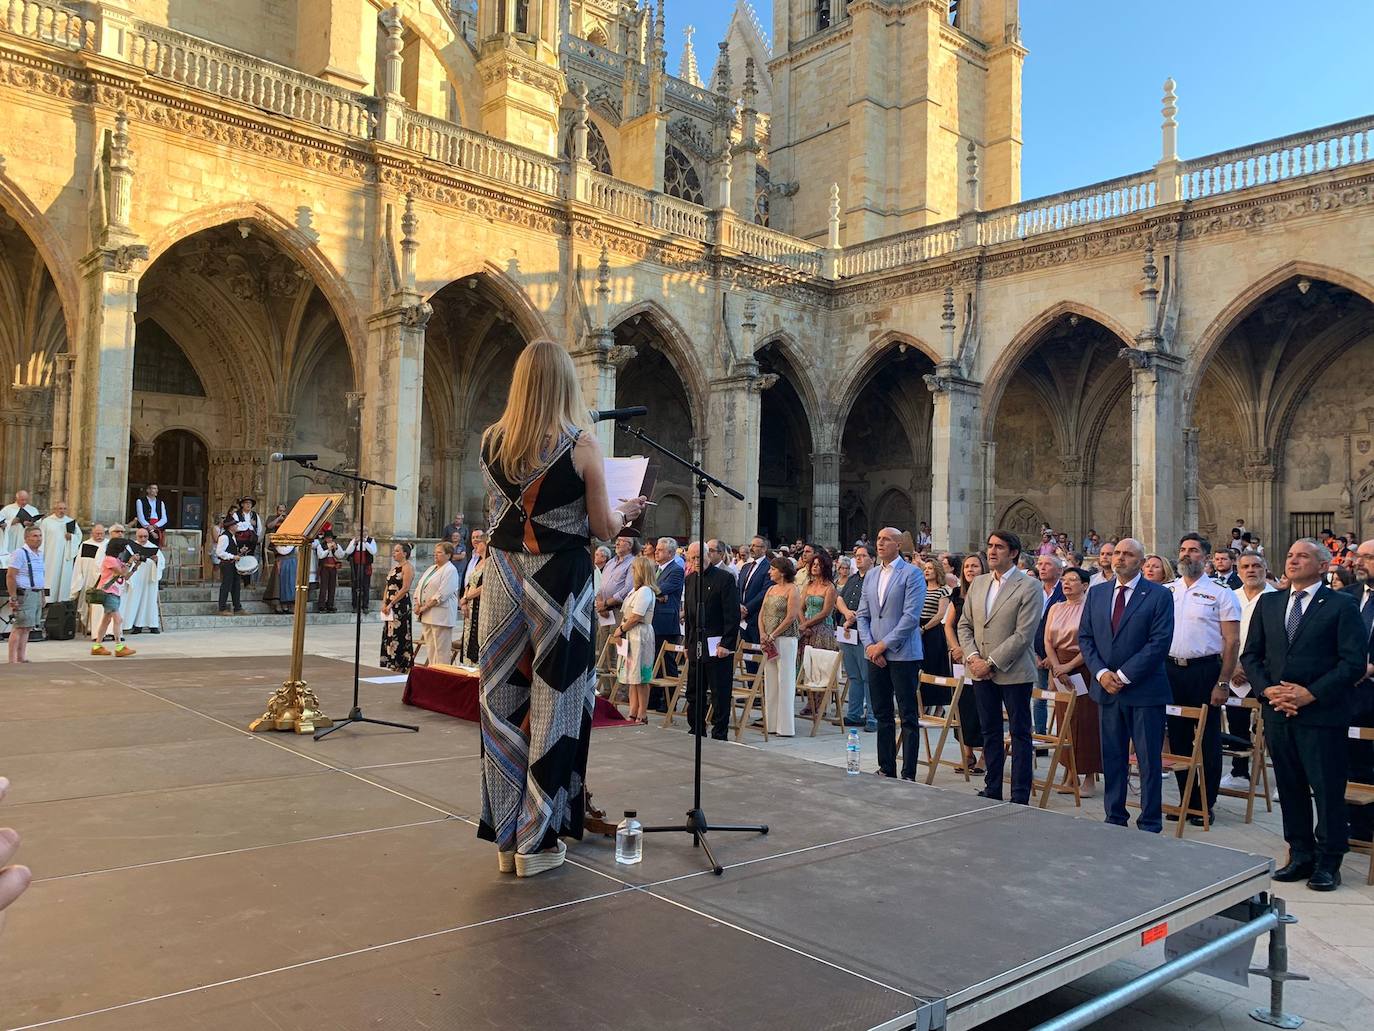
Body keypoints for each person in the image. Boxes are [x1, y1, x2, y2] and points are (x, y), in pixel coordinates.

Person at [476, 339, 644, 878]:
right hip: (561, 579)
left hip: (501, 571)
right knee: (558, 705)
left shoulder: (490, 442)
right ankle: (536, 838)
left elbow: (508, 510)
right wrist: (626, 511)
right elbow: (601, 528)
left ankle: (505, 838)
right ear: (566, 384)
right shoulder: (582, 446)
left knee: (499, 700)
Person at [1241, 538, 1365, 891]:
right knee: (1291, 786)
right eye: (1291, 554)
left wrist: (1310, 693)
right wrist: (1268, 691)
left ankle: (1329, 861)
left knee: (1326, 788)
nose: (1293, 560)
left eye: (1303, 556)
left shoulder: (1341, 605)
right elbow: (1252, 656)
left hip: (1322, 714)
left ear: (1324, 565)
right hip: (1278, 711)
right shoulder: (1270, 602)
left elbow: (1352, 662)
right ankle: (1299, 854)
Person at [1079, 537, 1174, 833]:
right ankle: (1115, 816)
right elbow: (1086, 638)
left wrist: (1122, 675)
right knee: (1113, 756)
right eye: (1117, 553)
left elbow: (1159, 642)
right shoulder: (1097, 594)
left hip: (1144, 690)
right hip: (1106, 689)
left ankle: (1149, 820)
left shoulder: (1158, 595)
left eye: (1128, 554)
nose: (1119, 558)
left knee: (1147, 761)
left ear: (1141, 562)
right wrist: (1100, 673)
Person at [958, 530, 1042, 804]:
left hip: (1013, 670)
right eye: (990, 546)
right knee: (989, 730)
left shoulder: (1028, 586)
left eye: (999, 547)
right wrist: (973, 658)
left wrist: (991, 662)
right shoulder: (979, 583)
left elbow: (1023, 633)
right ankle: (992, 786)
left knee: (1019, 733)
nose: (992, 552)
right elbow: (965, 624)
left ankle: (1019, 793)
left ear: (1014, 553)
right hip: (979, 669)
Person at [1164, 533, 1241, 827]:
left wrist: (1223, 682)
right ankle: (1186, 799)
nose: (1187, 555)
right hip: (1172, 670)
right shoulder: (1168, 591)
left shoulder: (1221, 593)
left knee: (1207, 738)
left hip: (1204, 671)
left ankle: (1205, 803)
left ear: (1206, 558)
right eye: (1183, 549)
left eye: (1194, 551)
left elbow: (1231, 641)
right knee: (1179, 738)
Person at [857, 526, 926, 779]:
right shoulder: (872, 575)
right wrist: (870, 646)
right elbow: (863, 614)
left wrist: (883, 645)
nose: (880, 543)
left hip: (902, 653)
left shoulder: (912, 574)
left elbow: (910, 617)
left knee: (907, 715)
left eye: (886, 539)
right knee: (882, 712)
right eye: (878, 538)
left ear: (898, 544)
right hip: (874, 653)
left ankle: (909, 772)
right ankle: (886, 767)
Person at [1044, 567, 1101, 795]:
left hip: (1082, 665)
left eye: (1073, 580)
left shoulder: (1090, 608)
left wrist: (1068, 666)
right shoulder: (1056, 607)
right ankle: (1070, 772)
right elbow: (1048, 640)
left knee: (1086, 721)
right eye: (1064, 580)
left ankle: (1089, 776)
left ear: (1085, 585)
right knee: (1064, 719)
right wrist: (1056, 666)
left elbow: (1091, 641)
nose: (1067, 584)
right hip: (1058, 665)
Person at [1224, 551, 1277, 792]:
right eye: (1245, 566)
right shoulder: (1230, 597)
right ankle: (1239, 771)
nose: (1251, 570)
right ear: (1238, 570)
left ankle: (1281, 777)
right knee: (1236, 722)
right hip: (1232, 672)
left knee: (1270, 727)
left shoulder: (1277, 597)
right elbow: (1221, 635)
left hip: (1264, 673)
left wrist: (1254, 667)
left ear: (1265, 569)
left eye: (1256, 566)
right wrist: (1232, 665)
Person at [682, 540, 741, 738]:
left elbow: (732, 614)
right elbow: (690, 614)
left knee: (719, 691)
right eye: (692, 558)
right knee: (694, 690)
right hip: (696, 643)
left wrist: (727, 643)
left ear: (709, 555)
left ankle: (719, 732)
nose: (696, 561)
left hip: (717, 644)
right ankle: (696, 728)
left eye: (700, 557)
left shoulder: (724, 578)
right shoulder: (690, 579)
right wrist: (687, 644)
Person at [946, 552, 986, 773]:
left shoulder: (988, 592)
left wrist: (972, 651)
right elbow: (949, 625)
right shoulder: (957, 594)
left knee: (983, 707)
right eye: (967, 567)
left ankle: (986, 755)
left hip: (981, 656)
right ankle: (968, 753)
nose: (970, 570)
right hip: (960, 658)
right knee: (963, 706)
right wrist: (955, 647)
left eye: (975, 566)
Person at [611, 555, 658, 723]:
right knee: (632, 676)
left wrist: (621, 629)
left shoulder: (646, 591)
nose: (631, 572)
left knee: (641, 676)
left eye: (633, 569)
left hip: (639, 634)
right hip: (630, 634)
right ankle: (632, 710)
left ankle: (642, 713)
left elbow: (637, 615)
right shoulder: (635, 590)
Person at [759, 555, 801, 738]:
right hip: (768, 639)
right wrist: (762, 634)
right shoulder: (770, 589)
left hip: (785, 639)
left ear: (782, 572)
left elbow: (791, 616)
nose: (769, 572)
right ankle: (771, 722)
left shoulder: (793, 590)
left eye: (773, 569)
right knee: (770, 681)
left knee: (785, 680)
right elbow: (762, 613)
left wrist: (773, 634)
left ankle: (785, 726)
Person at [837, 546, 876, 731]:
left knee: (868, 677)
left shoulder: (876, 578)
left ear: (873, 559)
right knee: (854, 676)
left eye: (863, 556)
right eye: (857, 556)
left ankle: (872, 717)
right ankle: (854, 713)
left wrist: (856, 617)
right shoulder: (852, 578)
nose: (858, 559)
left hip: (866, 634)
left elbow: (876, 603)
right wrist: (846, 613)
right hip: (848, 632)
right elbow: (839, 599)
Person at [1031, 555, 1066, 736]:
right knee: (1038, 697)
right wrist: (1034, 653)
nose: (1042, 567)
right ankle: (1041, 735)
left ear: (1059, 570)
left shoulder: (1064, 591)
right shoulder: (1034, 589)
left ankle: (1064, 736)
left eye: (1047, 564)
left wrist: (1051, 657)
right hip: (1035, 652)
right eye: (1040, 564)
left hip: (1059, 655)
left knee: (1061, 696)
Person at [90, 537, 140, 657]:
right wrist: (129, 561)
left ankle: (97, 646)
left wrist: (134, 567)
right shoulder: (109, 560)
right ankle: (119, 646)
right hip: (109, 592)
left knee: (106, 620)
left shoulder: (116, 560)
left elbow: (125, 576)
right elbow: (121, 572)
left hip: (115, 592)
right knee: (118, 619)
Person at [649, 536, 685, 706]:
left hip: (666, 622)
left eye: (660, 550)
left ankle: (670, 700)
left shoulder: (676, 570)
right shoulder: (655, 568)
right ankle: (655, 698)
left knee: (667, 662)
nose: (656, 552)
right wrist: (657, 594)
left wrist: (655, 592)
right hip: (653, 620)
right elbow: (655, 591)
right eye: (656, 549)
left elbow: (664, 588)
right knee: (654, 661)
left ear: (670, 553)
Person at [594, 532, 635, 672]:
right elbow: (601, 585)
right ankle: (606, 688)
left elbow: (627, 588)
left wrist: (606, 603)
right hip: (605, 610)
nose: (616, 543)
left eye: (621, 541)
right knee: (603, 643)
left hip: (619, 609)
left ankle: (619, 686)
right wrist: (601, 604)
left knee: (618, 645)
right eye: (617, 540)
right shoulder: (611, 562)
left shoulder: (632, 562)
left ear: (629, 545)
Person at [414, 541, 460, 665]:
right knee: (431, 648)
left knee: (441, 650)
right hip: (427, 615)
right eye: (435, 553)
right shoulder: (431, 568)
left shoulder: (450, 570)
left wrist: (425, 607)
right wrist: (417, 603)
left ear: (448, 555)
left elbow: (443, 593)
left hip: (441, 615)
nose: (435, 555)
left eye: (439, 553)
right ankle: (433, 673)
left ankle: (441, 674)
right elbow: (420, 586)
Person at [5, 526, 45, 663]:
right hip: (25, 593)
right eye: (34, 536)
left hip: (36, 593)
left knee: (28, 627)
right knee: (19, 626)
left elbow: (40, 575)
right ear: (26, 538)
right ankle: (12, 659)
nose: (38, 538)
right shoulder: (20, 553)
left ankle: (21, 657)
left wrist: (43, 595)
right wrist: (13, 596)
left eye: (39, 535)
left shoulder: (39, 554)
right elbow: (11, 576)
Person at [380, 543, 415, 671]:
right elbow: (387, 586)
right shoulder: (395, 568)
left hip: (400, 605)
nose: (394, 553)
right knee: (390, 633)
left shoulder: (407, 568)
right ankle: (391, 660)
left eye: (397, 551)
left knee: (400, 633)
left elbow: (405, 588)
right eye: (394, 551)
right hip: (390, 604)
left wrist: (391, 603)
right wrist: (384, 602)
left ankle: (401, 663)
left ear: (404, 553)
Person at [918, 557, 952, 690]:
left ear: (937, 571)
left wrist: (924, 628)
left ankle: (938, 707)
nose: (927, 571)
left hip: (932, 630)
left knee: (934, 665)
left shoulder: (943, 590)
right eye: (925, 568)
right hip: (918, 627)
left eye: (930, 568)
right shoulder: (921, 589)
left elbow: (940, 614)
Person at [122, 527, 163, 634]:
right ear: (136, 536)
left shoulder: (153, 547)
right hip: (136, 577)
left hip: (149, 578)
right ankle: (136, 625)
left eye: (145, 536)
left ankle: (153, 625)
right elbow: (125, 560)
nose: (143, 538)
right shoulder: (131, 547)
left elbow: (161, 563)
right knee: (134, 600)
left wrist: (157, 560)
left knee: (149, 601)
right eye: (140, 536)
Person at [70, 523, 108, 638]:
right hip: (88, 579)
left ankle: (102, 629)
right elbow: (79, 564)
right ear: (92, 533)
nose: (99, 535)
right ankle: (90, 628)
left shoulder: (108, 544)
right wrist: (77, 583)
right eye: (97, 533)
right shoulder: (86, 545)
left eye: (101, 533)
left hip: (105, 580)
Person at [38, 501, 79, 604]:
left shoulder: (70, 522)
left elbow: (79, 536)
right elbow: (41, 538)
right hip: (50, 555)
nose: (62, 511)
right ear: (55, 509)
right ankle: (48, 600)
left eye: (64, 509)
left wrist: (72, 537)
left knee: (64, 577)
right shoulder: (47, 522)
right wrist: (40, 554)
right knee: (50, 577)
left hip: (65, 556)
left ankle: (62, 600)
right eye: (60, 509)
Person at [457, 529, 488, 664]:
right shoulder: (477, 561)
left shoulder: (490, 562)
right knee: (467, 634)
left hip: (479, 603)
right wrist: (464, 600)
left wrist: (468, 597)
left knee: (475, 634)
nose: (477, 544)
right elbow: (469, 582)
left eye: (480, 542)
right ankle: (467, 663)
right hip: (469, 603)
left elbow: (485, 585)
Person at [737, 535, 772, 645]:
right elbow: (738, 589)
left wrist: (746, 609)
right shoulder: (745, 567)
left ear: (764, 549)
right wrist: (739, 606)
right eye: (750, 545)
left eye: (755, 546)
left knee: (758, 654)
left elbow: (764, 592)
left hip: (757, 617)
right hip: (742, 618)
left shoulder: (769, 567)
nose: (751, 548)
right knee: (745, 653)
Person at [214, 516, 246, 614]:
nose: (237, 526)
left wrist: (240, 552)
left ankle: (237, 608)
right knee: (226, 586)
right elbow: (219, 552)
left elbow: (230, 550)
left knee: (236, 586)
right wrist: (232, 556)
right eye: (235, 524)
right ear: (230, 527)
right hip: (227, 564)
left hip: (233, 564)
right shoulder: (224, 537)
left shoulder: (232, 536)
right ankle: (222, 608)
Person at [346, 529, 377, 613]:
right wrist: (355, 543)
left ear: (367, 532)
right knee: (355, 585)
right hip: (355, 566)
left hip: (366, 565)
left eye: (364, 531)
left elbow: (373, 551)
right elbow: (348, 551)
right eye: (360, 532)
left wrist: (365, 542)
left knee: (365, 586)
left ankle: (365, 606)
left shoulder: (371, 540)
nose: (362, 533)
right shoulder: (354, 540)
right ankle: (355, 606)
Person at [314, 531, 344, 613]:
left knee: (332, 587)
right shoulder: (321, 546)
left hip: (333, 568)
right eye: (328, 538)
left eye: (331, 538)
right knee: (323, 587)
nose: (330, 539)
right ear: (325, 538)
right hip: (324, 568)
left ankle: (330, 604)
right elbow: (320, 556)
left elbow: (341, 555)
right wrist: (328, 550)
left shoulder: (336, 545)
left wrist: (335, 549)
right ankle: (321, 605)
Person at [272, 535, 298, 614]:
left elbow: (289, 550)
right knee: (282, 583)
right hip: (282, 562)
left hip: (291, 563)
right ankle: (283, 604)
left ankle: (291, 605)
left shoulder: (294, 541)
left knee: (291, 583)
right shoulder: (278, 541)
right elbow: (281, 550)